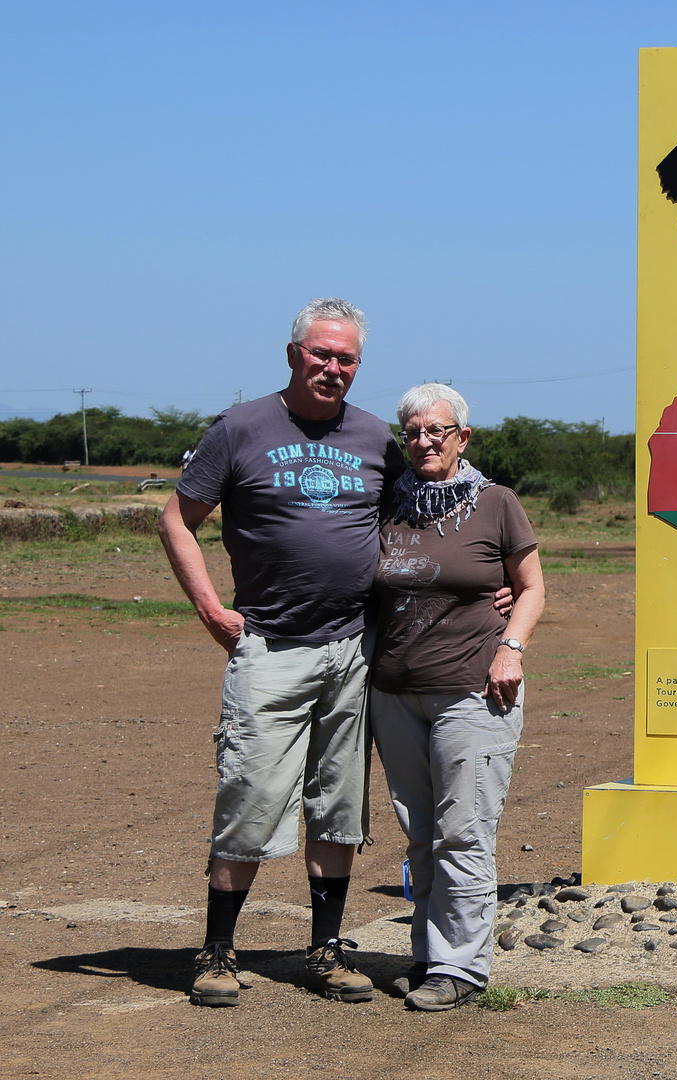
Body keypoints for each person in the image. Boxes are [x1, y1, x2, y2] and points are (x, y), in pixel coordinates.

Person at [159, 298, 406, 1008]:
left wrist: (502, 585)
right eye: (322, 354)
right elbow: (178, 519)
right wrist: (211, 608)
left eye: (347, 358)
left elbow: (416, 527)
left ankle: (325, 952)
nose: (333, 368)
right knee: (251, 795)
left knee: (339, 806)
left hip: (352, 649)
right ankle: (216, 952)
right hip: (270, 646)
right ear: (294, 353)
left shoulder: (376, 438)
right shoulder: (241, 428)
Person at [369, 383, 544, 1012]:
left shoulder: (496, 504)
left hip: (474, 692)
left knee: (463, 831)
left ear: (461, 437)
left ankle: (461, 968)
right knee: (419, 834)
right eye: (412, 432)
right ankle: (426, 955)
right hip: (396, 693)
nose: (423, 442)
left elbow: (529, 588)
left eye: (435, 431)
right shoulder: (388, 506)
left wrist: (511, 648)